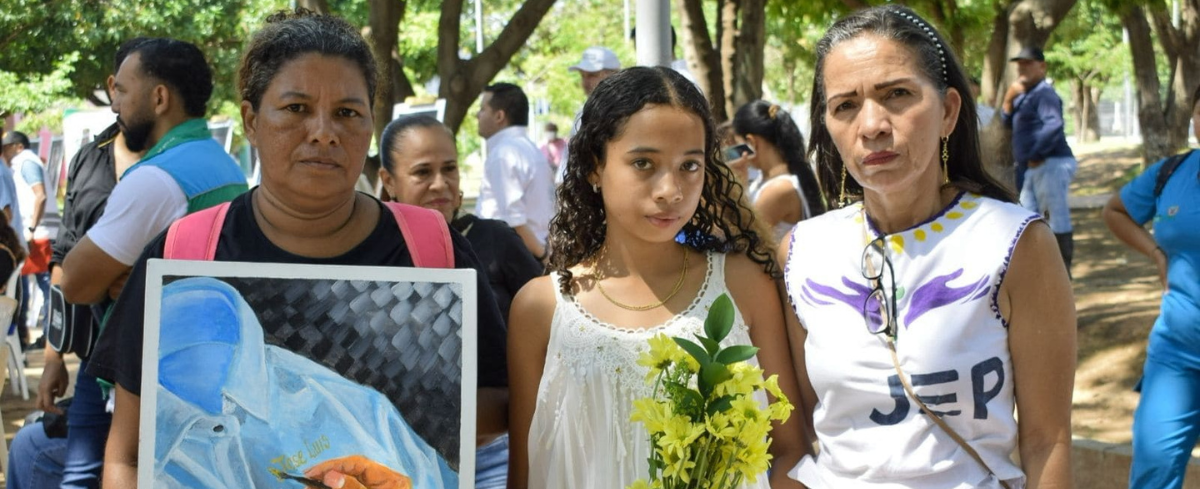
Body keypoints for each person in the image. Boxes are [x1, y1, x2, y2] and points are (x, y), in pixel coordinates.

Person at [85, 9, 510, 488]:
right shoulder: (183, 256)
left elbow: (500, 401)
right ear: (251, 121)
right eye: (296, 109)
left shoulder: (431, 249)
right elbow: (127, 455)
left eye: (347, 113)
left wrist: (394, 429)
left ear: (370, 126)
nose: (323, 132)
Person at [786, 5, 1075, 488]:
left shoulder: (1016, 243)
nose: (872, 125)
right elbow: (791, 436)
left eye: (897, 94)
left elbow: (1048, 440)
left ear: (948, 112)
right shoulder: (802, 251)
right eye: (845, 106)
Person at [507, 66, 806, 489]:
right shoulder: (541, 308)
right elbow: (524, 473)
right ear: (594, 166)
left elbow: (790, 451)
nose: (671, 190)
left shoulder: (741, 285)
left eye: (689, 165)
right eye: (643, 163)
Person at [8, 38, 148, 489]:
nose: (126, 97)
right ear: (112, 86)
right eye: (122, 86)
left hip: (156, 360)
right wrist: (54, 357)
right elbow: (64, 259)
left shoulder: (176, 165)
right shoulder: (89, 158)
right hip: (94, 353)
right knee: (80, 473)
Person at [378, 114, 543, 489]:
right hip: (398, 462)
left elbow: (544, 322)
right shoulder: (377, 254)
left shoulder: (495, 239)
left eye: (449, 168)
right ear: (389, 181)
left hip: (491, 455)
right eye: (423, 172)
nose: (440, 183)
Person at [60, 37, 249, 306]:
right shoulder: (224, 163)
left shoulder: (155, 179)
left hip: (156, 332)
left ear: (159, 98)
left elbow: (74, 284)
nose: (115, 106)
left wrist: (137, 278)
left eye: (122, 91)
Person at [1102, 83, 1200, 489]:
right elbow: (1116, 210)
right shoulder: (1173, 172)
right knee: (1153, 471)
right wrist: (1156, 253)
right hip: (1176, 352)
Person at [1001, 46, 1076, 275]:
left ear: (1042, 66)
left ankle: (1062, 275)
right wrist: (1008, 99)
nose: (1022, 68)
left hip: (1049, 162)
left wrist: (1035, 154)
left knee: (1055, 218)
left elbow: (1053, 125)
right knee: (1029, 220)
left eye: (1028, 63)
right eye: (1020, 64)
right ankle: (1040, 273)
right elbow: (1006, 123)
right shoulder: (1025, 95)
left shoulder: (1045, 94)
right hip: (1032, 167)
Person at [474, 82, 555, 260]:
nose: (477, 115)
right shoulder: (529, 149)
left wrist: (543, 257)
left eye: (482, 109)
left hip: (514, 257)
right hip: (531, 251)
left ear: (499, 116)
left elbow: (514, 221)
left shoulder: (503, 154)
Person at [731, 100, 826, 242]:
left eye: (739, 144)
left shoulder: (778, 189)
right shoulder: (765, 179)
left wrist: (734, 189)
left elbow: (741, 238)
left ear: (751, 142)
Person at [2, 131, 59, 329]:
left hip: (40, 233)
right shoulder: (23, 163)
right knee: (31, 283)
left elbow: (40, 196)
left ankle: (48, 334)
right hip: (38, 232)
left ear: (18, 147)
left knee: (45, 285)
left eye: (7, 148)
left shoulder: (26, 161)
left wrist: (32, 228)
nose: (4, 152)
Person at [559, 46, 622, 186]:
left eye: (592, 75)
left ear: (613, 75)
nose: (585, 82)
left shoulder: (628, 111)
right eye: (583, 76)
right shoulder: (582, 113)